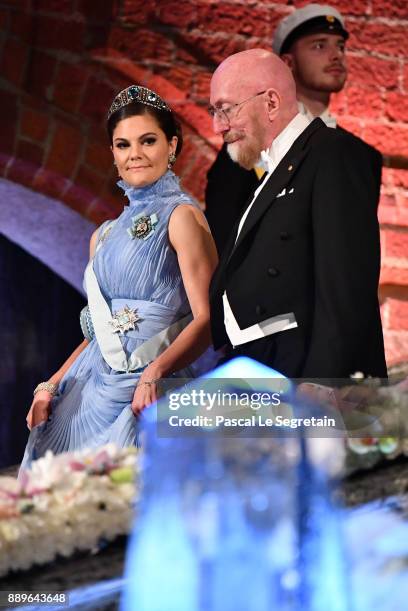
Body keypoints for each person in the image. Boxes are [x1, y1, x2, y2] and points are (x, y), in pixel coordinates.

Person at [22, 85, 218, 466]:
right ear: (112, 153)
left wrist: (155, 373)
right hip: (88, 390)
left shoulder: (182, 217)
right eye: (123, 145)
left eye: (148, 141)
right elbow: (97, 334)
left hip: (150, 387)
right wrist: (50, 384)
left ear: (172, 146)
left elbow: (207, 320)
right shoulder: (104, 235)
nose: (136, 155)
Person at [209, 49, 387, 379]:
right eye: (214, 111)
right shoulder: (269, 169)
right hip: (255, 365)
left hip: (303, 370)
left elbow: (346, 286)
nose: (218, 126)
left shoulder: (334, 153)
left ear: (271, 103)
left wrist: (322, 383)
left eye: (226, 109)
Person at [205, 3, 382, 255]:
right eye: (319, 45)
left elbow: (357, 248)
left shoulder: (363, 157)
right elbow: (224, 236)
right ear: (287, 62)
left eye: (340, 47)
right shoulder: (250, 140)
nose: (336, 56)